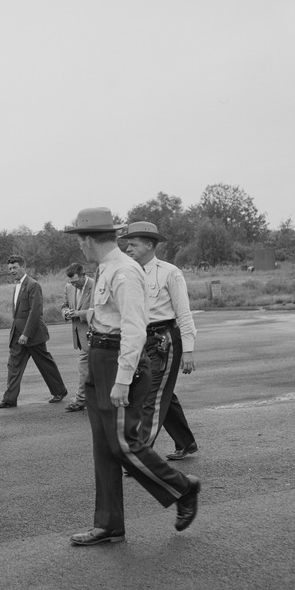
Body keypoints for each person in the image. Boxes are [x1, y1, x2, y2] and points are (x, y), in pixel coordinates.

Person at [63, 208, 200, 545]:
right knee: (104, 446)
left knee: (124, 443)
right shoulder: (106, 269)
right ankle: (109, 523)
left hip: (117, 360)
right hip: (100, 356)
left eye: (80, 239)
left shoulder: (124, 271)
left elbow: (134, 328)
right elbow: (107, 316)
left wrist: (123, 378)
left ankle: (183, 489)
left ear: (89, 239)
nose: (79, 246)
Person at [122, 222, 199, 460]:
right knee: (161, 393)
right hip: (139, 339)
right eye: (127, 244)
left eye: (133, 244)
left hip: (163, 340)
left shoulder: (170, 272)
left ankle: (141, 455)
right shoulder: (127, 273)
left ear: (149, 245)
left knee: (151, 396)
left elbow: (183, 312)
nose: (128, 249)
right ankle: (186, 442)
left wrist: (188, 349)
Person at [0, 255, 69, 408]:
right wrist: (19, 333)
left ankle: (59, 391)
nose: (12, 271)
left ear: (23, 267)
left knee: (44, 364)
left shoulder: (33, 285)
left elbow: (35, 311)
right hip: (17, 333)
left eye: (15, 268)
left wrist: (26, 334)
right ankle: (10, 399)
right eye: (10, 269)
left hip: (33, 334)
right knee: (13, 366)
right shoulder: (17, 285)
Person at [61, 263, 95, 413]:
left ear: (83, 275)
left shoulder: (95, 286)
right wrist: (66, 312)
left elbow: (97, 311)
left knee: (84, 367)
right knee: (89, 368)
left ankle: (81, 400)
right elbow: (64, 305)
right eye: (71, 282)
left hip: (95, 334)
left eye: (75, 281)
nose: (73, 285)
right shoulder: (69, 287)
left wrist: (78, 314)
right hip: (80, 336)